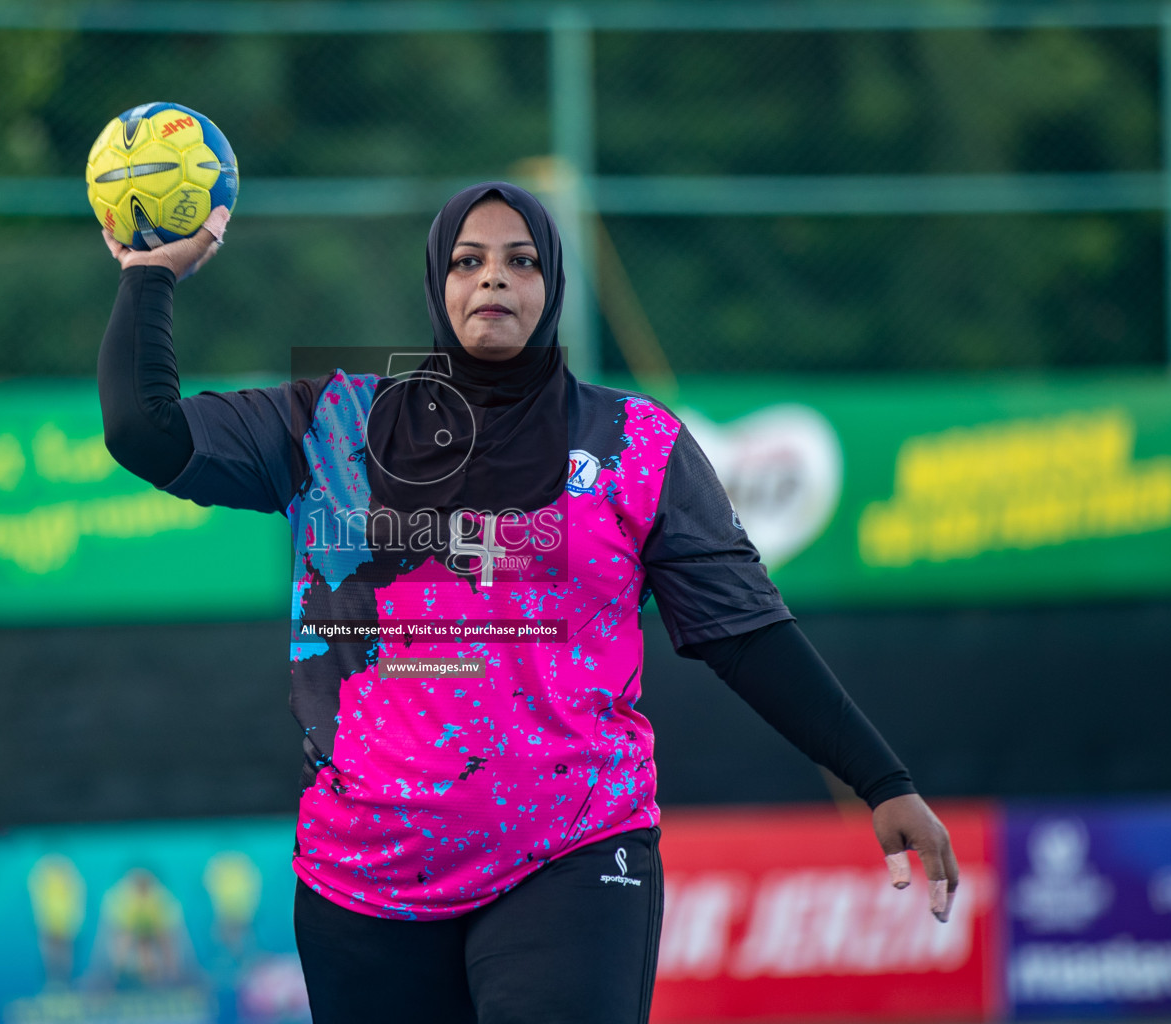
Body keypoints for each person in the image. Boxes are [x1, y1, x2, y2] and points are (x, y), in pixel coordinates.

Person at [96, 183, 959, 1024]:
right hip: (361, 880)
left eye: (521, 261)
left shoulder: (634, 443)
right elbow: (146, 434)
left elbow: (744, 633)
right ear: (438, 284)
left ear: (553, 288)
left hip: (574, 852)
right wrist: (150, 277)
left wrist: (880, 780)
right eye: (468, 261)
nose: (494, 279)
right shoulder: (330, 422)